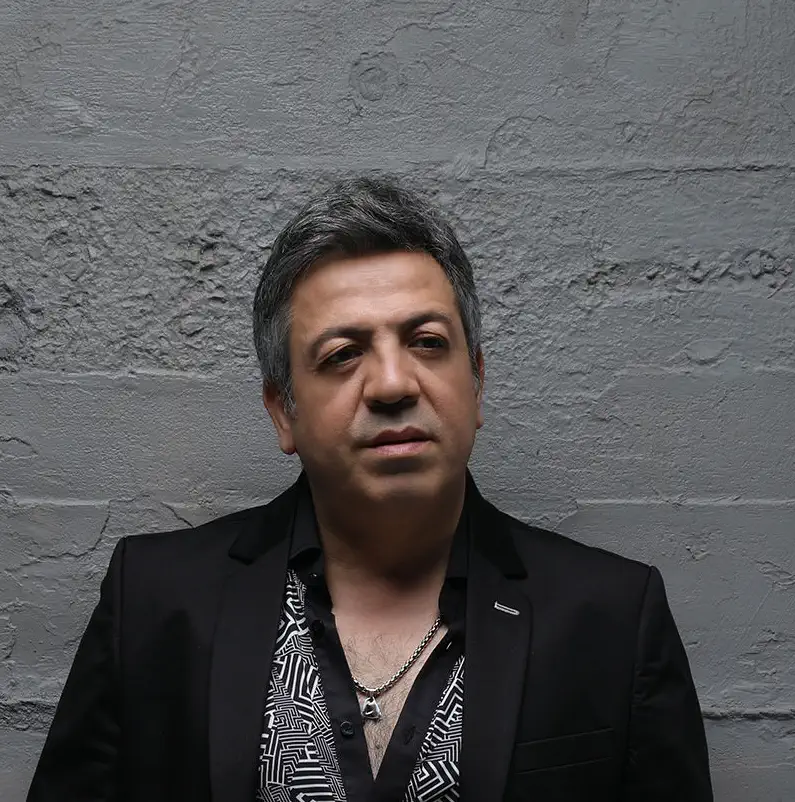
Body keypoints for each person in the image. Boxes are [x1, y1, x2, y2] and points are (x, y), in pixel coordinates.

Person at [27, 177, 714, 802]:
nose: (391, 384)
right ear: (283, 411)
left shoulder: (614, 619)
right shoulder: (154, 604)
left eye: (427, 342)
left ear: (476, 383)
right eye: (342, 355)